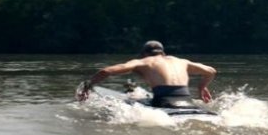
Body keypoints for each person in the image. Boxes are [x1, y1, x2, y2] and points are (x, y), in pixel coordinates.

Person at [77, 40, 217, 108]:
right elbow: (211, 71)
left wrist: (87, 86)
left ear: (144, 53)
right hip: (187, 101)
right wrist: (202, 87)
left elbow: (105, 71)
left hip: (164, 102)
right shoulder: (181, 61)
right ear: (163, 53)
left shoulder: (142, 61)